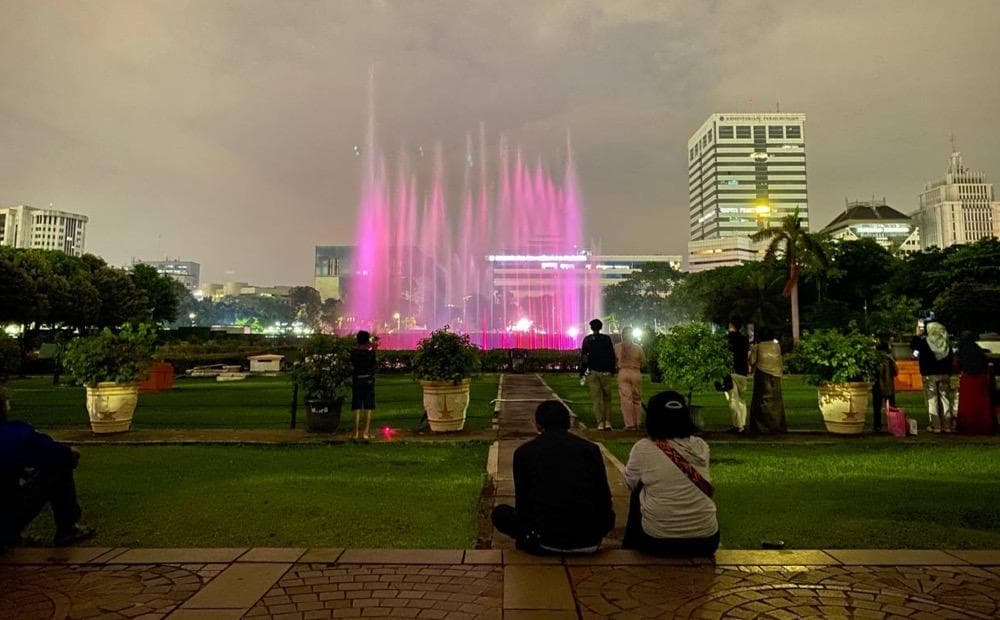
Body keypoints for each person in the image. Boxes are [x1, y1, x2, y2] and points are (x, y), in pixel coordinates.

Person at [492, 400, 615, 554]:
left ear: (538, 424)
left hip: (545, 540)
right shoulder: (590, 449)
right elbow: (603, 496)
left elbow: (524, 504)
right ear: (568, 423)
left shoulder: (524, 453)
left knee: (501, 513)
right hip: (588, 537)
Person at [622, 391, 719, 556]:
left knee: (637, 493)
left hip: (658, 542)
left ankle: (629, 548)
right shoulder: (701, 447)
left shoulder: (644, 448)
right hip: (706, 541)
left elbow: (629, 483)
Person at [1, 388, 95, 548]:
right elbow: (64, 455)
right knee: (58, 466)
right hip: (7, 517)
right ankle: (67, 528)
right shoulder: (14, 434)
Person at [911, 320, 955, 433]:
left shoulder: (925, 342)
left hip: (929, 375)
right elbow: (951, 359)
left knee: (932, 400)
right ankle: (947, 425)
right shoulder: (945, 343)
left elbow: (914, 348)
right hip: (944, 374)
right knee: (945, 399)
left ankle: (936, 426)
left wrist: (917, 335)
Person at [579, 319, 617, 430]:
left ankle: (600, 422)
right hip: (605, 372)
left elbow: (584, 357)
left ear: (591, 328)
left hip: (593, 371)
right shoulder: (606, 339)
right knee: (607, 398)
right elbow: (611, 355)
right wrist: (611, 369)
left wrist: (582, 372)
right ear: (601, 327)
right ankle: (608, 421)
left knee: (596, 399)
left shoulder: (587, 340)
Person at [747, 327, 787, 434]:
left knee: (761, 401)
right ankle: (776, 425)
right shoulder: (777, 346)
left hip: (762, 375)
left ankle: (761, 427)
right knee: (776, 401)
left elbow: (752, 360)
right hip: (776, 375)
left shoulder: (758, 347)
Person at [956, 331, 994, 435]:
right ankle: (982, 426)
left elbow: (959, 364)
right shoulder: (978, 350)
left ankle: (967, 427)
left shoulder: (962, 351)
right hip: (980, 379)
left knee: (967, 403)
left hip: (968, 379)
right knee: (980, 403)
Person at [615, 327, 646, 431]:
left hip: (623, 372)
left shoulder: (617, 347)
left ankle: (629, 424)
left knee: (626, 399)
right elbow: (643, 361)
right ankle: (638, 422)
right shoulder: (638, 348)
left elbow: (614, 359)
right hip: (635, 372)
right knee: (637, 398)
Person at [724, 316, 750, 434]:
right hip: (743, 372)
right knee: (742, 400)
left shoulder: (727, 339)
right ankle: (743, 424)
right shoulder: (744, 339)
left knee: (733, 399)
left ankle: (738, 426)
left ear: (730, 325)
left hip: (731, 371)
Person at [351, 330, 376, 440]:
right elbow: (373, 366)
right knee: (368, 406)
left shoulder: (354, 352)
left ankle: (355, 433)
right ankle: (366, 433)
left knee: (356, 406)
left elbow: (352, 364)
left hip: (357, 380)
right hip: (368, 380)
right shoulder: (370, 352)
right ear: (367, 340)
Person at [872, 339, 897, 433]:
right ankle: (893, 425)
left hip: (877, 386)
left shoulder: (875, 360)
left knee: (877, 408)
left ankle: (877, 426)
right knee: (891, 407)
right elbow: (895, 372)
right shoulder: (890, 359)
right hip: (889, 385)